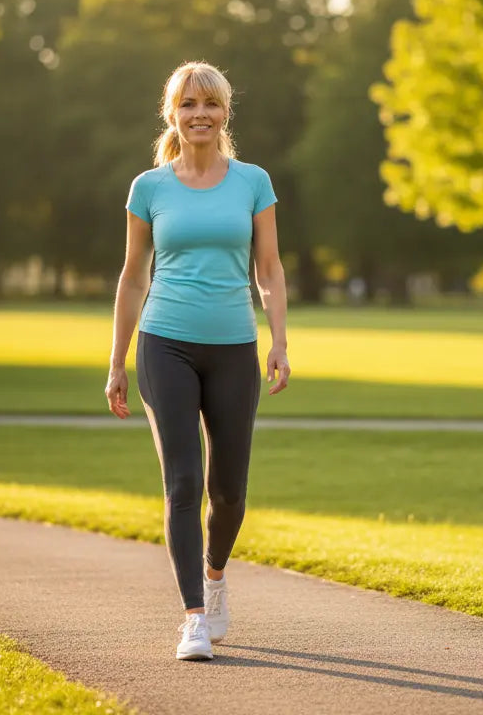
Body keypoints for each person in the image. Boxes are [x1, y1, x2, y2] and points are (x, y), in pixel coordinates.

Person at [105, 61, 290, 661]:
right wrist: (117, 360)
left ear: (225, 112)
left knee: (229, 492)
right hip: (166, 343)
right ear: (173, 114)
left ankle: (214, 578)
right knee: (183, 481)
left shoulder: (253, 181)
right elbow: (134, 278)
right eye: (188, 104)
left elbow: (268, 269)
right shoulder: (150, 187)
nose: (199, 114)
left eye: (210, 103)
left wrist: (279, 341)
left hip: (235, 347)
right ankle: (192, 620)